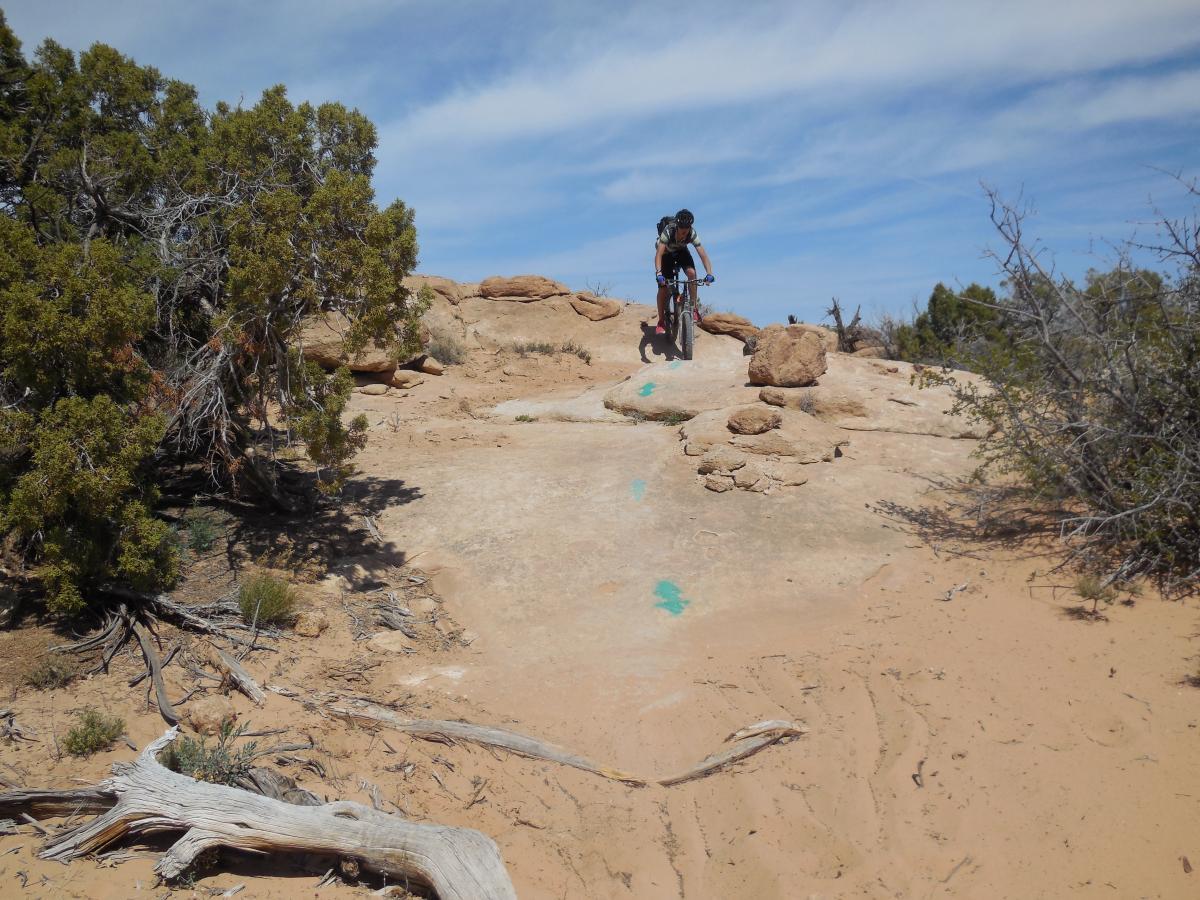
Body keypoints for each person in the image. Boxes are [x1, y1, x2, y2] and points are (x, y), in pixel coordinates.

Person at [654, 209, 714, 335]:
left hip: (681, 251)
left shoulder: (691, 233)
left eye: (685, 232)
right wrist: (659, 273)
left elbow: (703, 255)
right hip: (666, 254)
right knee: (663, 287)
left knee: (692, 273)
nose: (683, 235)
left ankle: (694, 309)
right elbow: (658, 254)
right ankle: (660, 321)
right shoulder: (668, 231)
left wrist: (709, 273)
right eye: (681, 232)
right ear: (677, 227)